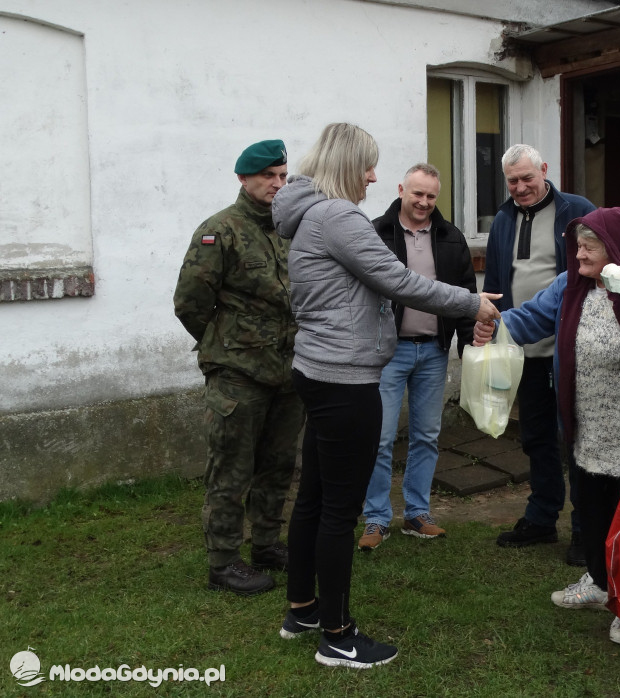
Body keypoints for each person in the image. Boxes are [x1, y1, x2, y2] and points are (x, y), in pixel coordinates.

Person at [271, 123, 501, 669]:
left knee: (314, 498)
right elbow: (398, 281)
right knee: (339, 509)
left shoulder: (308, 214)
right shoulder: (339, 216)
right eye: (368, 166)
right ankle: (338, 635)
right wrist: (471, 303)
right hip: (345, 379)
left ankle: (302, 608)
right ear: (347, 166)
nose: (374, 176)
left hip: (318, 369)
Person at [475, 207, 620, 646]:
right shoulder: (571, 285)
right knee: (591, 513)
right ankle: (597, 581)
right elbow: (531, 318)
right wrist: (495, 323)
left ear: (616, 248)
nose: (579, 252)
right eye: (577, 244)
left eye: (590, 245)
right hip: (586, 426)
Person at [173, 139, 305, 596]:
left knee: (278, 466)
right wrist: (228, 346)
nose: (276, 184)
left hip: (287, 373)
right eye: (268, 175)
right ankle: (224, 562)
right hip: (238, 376)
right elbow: (190, 303)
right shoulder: (220, 231)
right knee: (230, 471)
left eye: (283, 175)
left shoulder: (290, 230)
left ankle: (267, 545)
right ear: (243, 179)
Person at [483, 144, 596, 564]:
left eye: (528, 178)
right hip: (523, 347)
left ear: (545, 171)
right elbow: (495, 280)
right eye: (512, 181)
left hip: (571, 349)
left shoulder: (577, 210)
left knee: (579, 439)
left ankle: (585, 528)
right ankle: (543, 516)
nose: (521, 187)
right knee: (535, 436)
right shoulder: (502, 219)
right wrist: (494, 332)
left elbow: (596, 269)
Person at [357, 163, 477, 551]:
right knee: (379, 437)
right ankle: (376, 518)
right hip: (389, 352)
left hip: (433, 352)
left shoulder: (451, 237)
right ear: (401, 190)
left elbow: (464, 297)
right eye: (417, 194)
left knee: (427, 436)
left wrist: (469, 344)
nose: (423, 202)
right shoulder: (376, 233)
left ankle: (416, 513)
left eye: (430, 196)